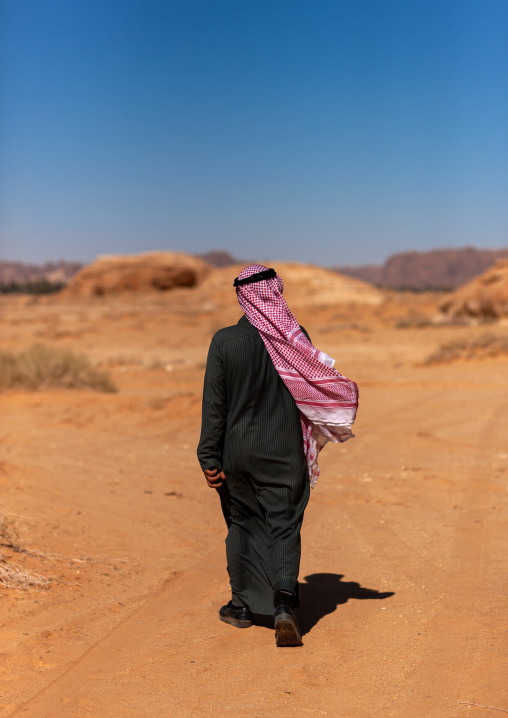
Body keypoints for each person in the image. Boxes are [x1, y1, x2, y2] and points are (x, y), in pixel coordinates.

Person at [197, 265, 358, 647]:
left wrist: (209, 457)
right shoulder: (295, 339)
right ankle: (284, 602)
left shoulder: (225, 342)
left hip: (237, 452)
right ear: (276, 293)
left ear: (242, 297)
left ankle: (241, 607)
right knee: (283, 525)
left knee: (242, 523)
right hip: (284, 451)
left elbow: (214, 407)